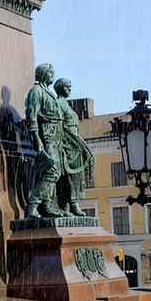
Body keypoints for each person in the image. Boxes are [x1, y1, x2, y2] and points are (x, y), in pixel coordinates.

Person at [24, 64, 65, 218]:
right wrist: (36, 138)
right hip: (47, 134)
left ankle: (47, 205)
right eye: (50, 72)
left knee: (56, 171)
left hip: (56, 135)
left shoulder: (48, 91)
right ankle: (33, 204)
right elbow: (32, 116)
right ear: (43, 74)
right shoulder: (36, 91)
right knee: (52, 169)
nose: (53, 74)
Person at [53, 78, 94, 217]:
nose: (70, 89)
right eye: (67, 87)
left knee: (76, 175)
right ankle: (72, 204)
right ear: (60, 88)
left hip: (74, 144)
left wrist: (80, 141)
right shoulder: (58, 104)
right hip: (66, 144)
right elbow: (60, 126)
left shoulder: (66, 104)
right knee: (71, 176)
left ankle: (71, 204)